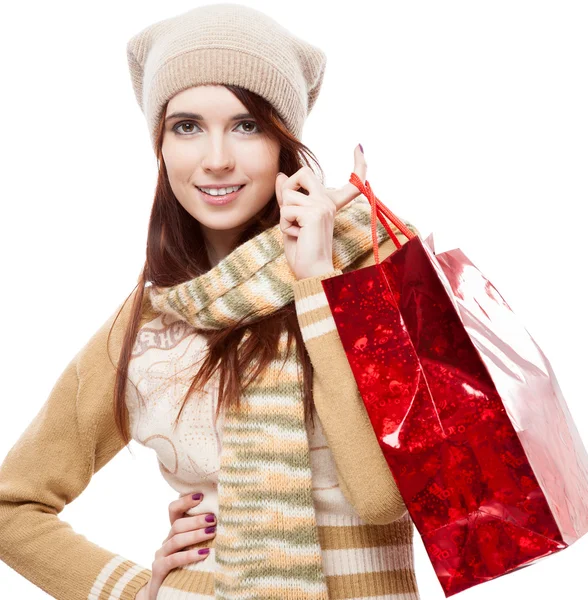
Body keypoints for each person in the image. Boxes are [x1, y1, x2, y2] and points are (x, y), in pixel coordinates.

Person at [0, 4, 422, 599]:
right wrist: (133, 591)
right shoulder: (150, 322)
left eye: (247, 124)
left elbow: (383, 496)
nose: (217, 157)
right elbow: (12, 507)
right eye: (187, 126)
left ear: (284, 142)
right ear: (162, 145)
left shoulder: (371, 261)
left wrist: (319, 285)